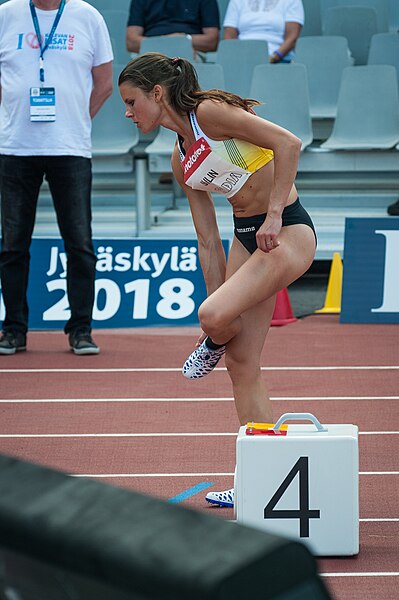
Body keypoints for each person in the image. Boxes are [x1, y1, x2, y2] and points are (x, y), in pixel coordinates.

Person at [118, 52, 316, 507]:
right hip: (246, 239)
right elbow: (208, 240)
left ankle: (212, 341)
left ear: (157, 93)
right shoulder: (179, 159)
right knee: (240, 363)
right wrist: (220, 316)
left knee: (211, 317)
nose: (129, 113)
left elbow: (288, 143)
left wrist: (271, 217)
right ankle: (259, 479)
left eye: (131, 102)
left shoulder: (209, 113)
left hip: (285, 229)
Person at [0, 0, 113, 355]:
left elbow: (105, 82)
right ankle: (14, 330)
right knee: (12, 245)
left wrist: (77, 119)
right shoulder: (6, 14)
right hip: (16, 146)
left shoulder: (87, 16)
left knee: (80, 244)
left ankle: (81, 329)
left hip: (71, 147)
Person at [126, 0, 220, 56]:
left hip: (190, 52)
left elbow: (212, 41)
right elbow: (131, 41)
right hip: (151, 53)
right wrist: (167, 43)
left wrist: (184, 40)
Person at [223, 0, 304, 63]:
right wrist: (238, 59)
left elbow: (292, 38)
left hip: (279, 61)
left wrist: (274, 58)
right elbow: (229, 36)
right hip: (242, 60)